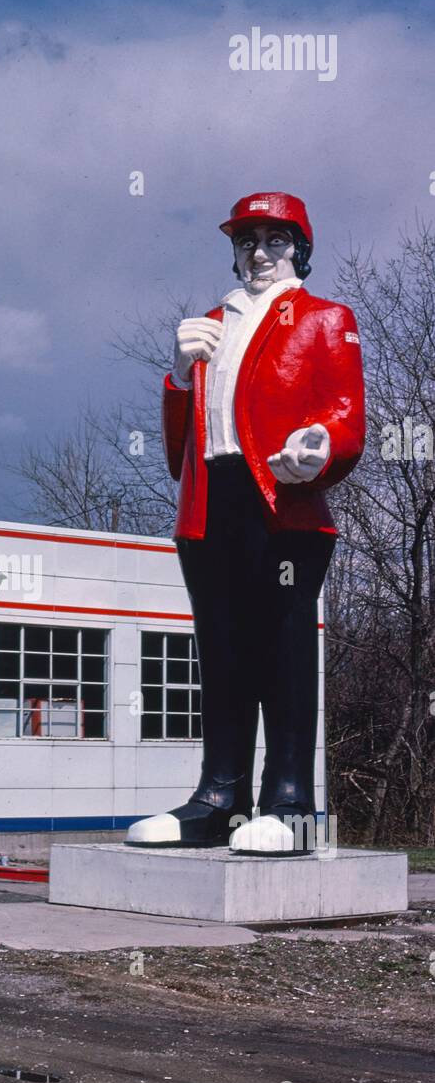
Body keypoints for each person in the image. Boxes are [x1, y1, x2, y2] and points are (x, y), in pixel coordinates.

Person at [126, 192, 365, 854]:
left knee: (283, 646)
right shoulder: (210, 324)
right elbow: (179, 455)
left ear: (301, 250)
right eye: (246, 241)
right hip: (211, 503)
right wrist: (178, 378)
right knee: (223, 652)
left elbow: (349, 413)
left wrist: (318, 443)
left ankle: (289, 803)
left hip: (282, 501)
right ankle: (217, 797)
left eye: (274, 240)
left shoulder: (323, 319)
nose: (258, 253)